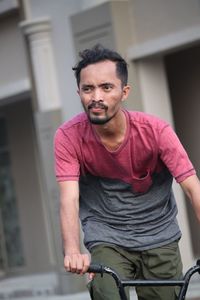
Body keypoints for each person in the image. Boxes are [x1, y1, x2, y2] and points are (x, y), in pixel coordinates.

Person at [54, 44, 200, 300]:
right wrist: (72, 250)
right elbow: (69, 197)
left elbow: (192, 187)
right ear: (79, 92)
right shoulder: (69, 136)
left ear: (124, 92)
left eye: (106, 87)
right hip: (106, 235)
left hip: (159, 234)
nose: (96, 96)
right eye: (88, 89)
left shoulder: (156, 132)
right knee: (105, 293)